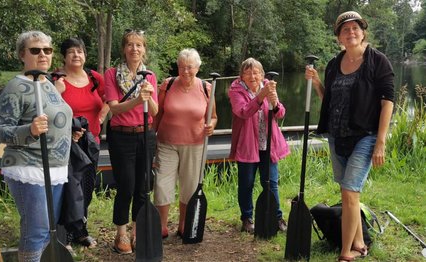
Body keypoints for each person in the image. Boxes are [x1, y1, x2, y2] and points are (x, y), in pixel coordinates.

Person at [305, 11, 394, 262]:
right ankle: (359, 241)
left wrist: (381, 142)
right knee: (349, 192)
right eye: (345, 30)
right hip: (337, 137)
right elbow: (330, 100)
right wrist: (317, 82)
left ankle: (346, 252)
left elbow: (388, 102)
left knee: (349, 191)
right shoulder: (334, 63)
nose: (351, 32)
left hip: (365, 136)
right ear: (338, 38)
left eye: (355, 28)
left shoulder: (377, 61)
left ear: (363, 32)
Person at [0, 31, 73, 261]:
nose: (42, 54)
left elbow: (55, 118)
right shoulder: (16, 87)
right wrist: (29, 130)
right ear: (22, 55)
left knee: (49, 231)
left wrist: (71, 130)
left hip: (55, 169)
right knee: (36, 232)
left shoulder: (46, 82)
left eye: (47, 50)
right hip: (29, 168)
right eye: (35, 50)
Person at [153, 48, 217, 238]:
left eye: (189, 67)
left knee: (189, 187)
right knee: (162, 184)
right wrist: (150, 140)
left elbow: (213, 117)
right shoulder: (168, 84)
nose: (185, 71)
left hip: (195, 144)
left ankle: (184, 225)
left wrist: (211, 126)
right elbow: (158, 113)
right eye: (181, 67)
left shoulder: (206, 88)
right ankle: (161, 227)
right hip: (166, 143)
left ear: (197, 68)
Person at [104, 29, 158, 254]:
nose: (134, 49)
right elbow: (114, 109)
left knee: (143, 186)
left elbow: (155, 111)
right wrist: (137, 100)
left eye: (139, 45)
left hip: (145, 135)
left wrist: (149, 94)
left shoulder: (150, 76)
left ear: (144, 49)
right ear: (124, 49)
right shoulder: (112, 74)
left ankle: (137, 231)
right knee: (126, 185)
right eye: (130, 45)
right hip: (121, 136)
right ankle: (121, 234)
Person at [54, 37, 109, 249]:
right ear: (64, 56)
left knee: (86, 188)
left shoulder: (95, 78)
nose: (76, 55)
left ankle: (80, 231)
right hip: (65, 144)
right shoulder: (57, 80)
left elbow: (109, 100)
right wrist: (56, 91)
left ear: (85, 55)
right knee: (68, 189)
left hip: (91, 142)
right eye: (71, 52)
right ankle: (64, 234)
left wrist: (102, 116)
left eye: (80, 51)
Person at [228, 58, 290, 234]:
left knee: (271, 183)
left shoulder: (267, 86)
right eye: (248, 73)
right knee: (246, 183)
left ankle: (276, 218)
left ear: (262, 74)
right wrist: (261, 96)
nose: (252, 76)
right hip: (247, 145)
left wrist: (275, 102)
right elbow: (244, 112)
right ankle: (247, 218)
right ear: (241, 76)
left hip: (268, 144)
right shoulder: (235, 91)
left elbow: (281, 113)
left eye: (256, 72)